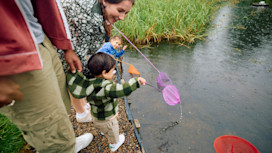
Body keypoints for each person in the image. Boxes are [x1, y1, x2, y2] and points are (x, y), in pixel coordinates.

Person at [0, 1, 92, 152]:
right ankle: (62, 147)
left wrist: (66, 46)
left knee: (61, 105)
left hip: (40, 40)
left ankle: (68, 143)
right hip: (13, 58)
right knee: (50, 136)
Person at [57, 0, 135, 123]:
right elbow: (78, 59)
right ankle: (81, 114)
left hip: (73, 47)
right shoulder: (86, 18)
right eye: (120, 11)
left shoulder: (99, 11)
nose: (123, 18)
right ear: (105, 1)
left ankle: (83, 105)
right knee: (72, 75)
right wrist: (101, 76)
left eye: (126, 13)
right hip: (59, 52)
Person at [66, 53, 146, 152]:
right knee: (113, 132)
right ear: (104, 73)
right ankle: (114, 144)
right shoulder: (106, 88)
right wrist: (136, 81)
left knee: (103, 127)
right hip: (108, 120)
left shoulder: (90, 82)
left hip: (96, 116)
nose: (113, 73)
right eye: (112, 71)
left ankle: (105, 131)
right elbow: (121, 90)